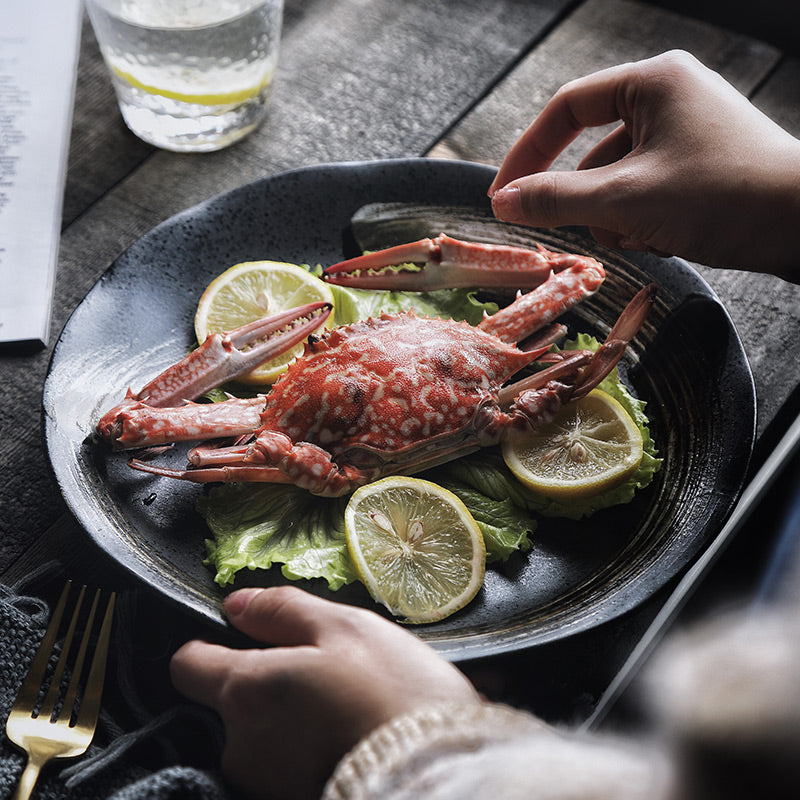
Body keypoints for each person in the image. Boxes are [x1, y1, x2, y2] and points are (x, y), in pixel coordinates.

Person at [170, 51, 800, 800]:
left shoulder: (279, 414)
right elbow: (580, 284)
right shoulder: (502, 367)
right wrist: (782, 200)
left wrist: (422, 758)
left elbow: (130, 424)